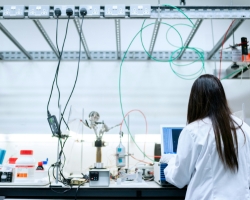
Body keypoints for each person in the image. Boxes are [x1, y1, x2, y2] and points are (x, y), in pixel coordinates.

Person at [163, 74, 250, 200]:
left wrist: (170, 162)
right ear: (222, 97)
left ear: (195, 100)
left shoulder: (193, 131)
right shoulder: (244, 128)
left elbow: (179, 178)